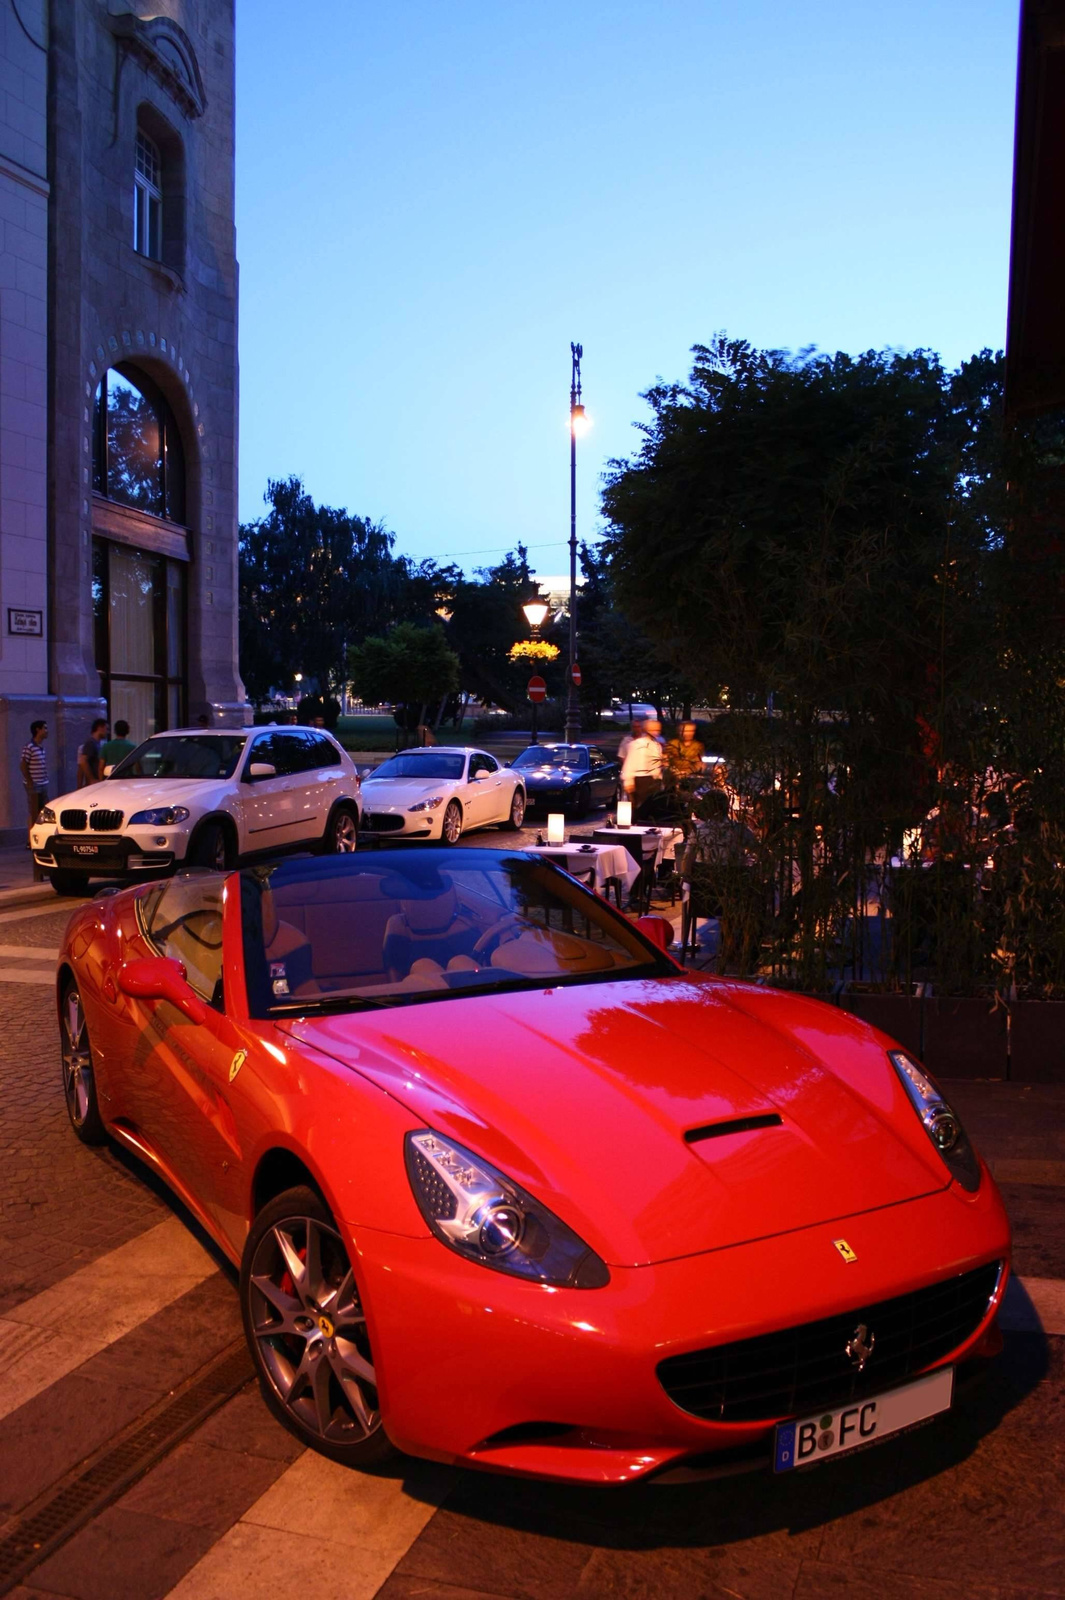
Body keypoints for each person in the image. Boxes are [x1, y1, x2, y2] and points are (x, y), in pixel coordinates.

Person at [620, 718, 664, 816]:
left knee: (653, 808)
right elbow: (629, 762)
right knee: (639, 808)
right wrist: (628, 781)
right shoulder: (636, 744)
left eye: (658, 729)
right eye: (653, 729)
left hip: (653, 780)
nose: (656, 732)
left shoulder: (657, 745)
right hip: (639, 779)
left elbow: (657, 764)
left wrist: (659, 779)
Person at [19, 721, 48, 845]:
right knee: (34, 811)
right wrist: (30, 781)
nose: (47, 731)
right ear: (38, 730)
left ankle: (38, 837)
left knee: (43, 811)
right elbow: (23, 765)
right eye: (44, 728)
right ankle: (30, 840)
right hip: (34, 784)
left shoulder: (41, 747)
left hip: (43, 783)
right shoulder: (29, 746)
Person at [77, 718, 108, 787]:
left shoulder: (97, 744)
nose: (107, 732)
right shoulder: (91, 743)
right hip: (93, 783)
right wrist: (91, 779)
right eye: (106, 729)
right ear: (100, 728)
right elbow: (83, 762)